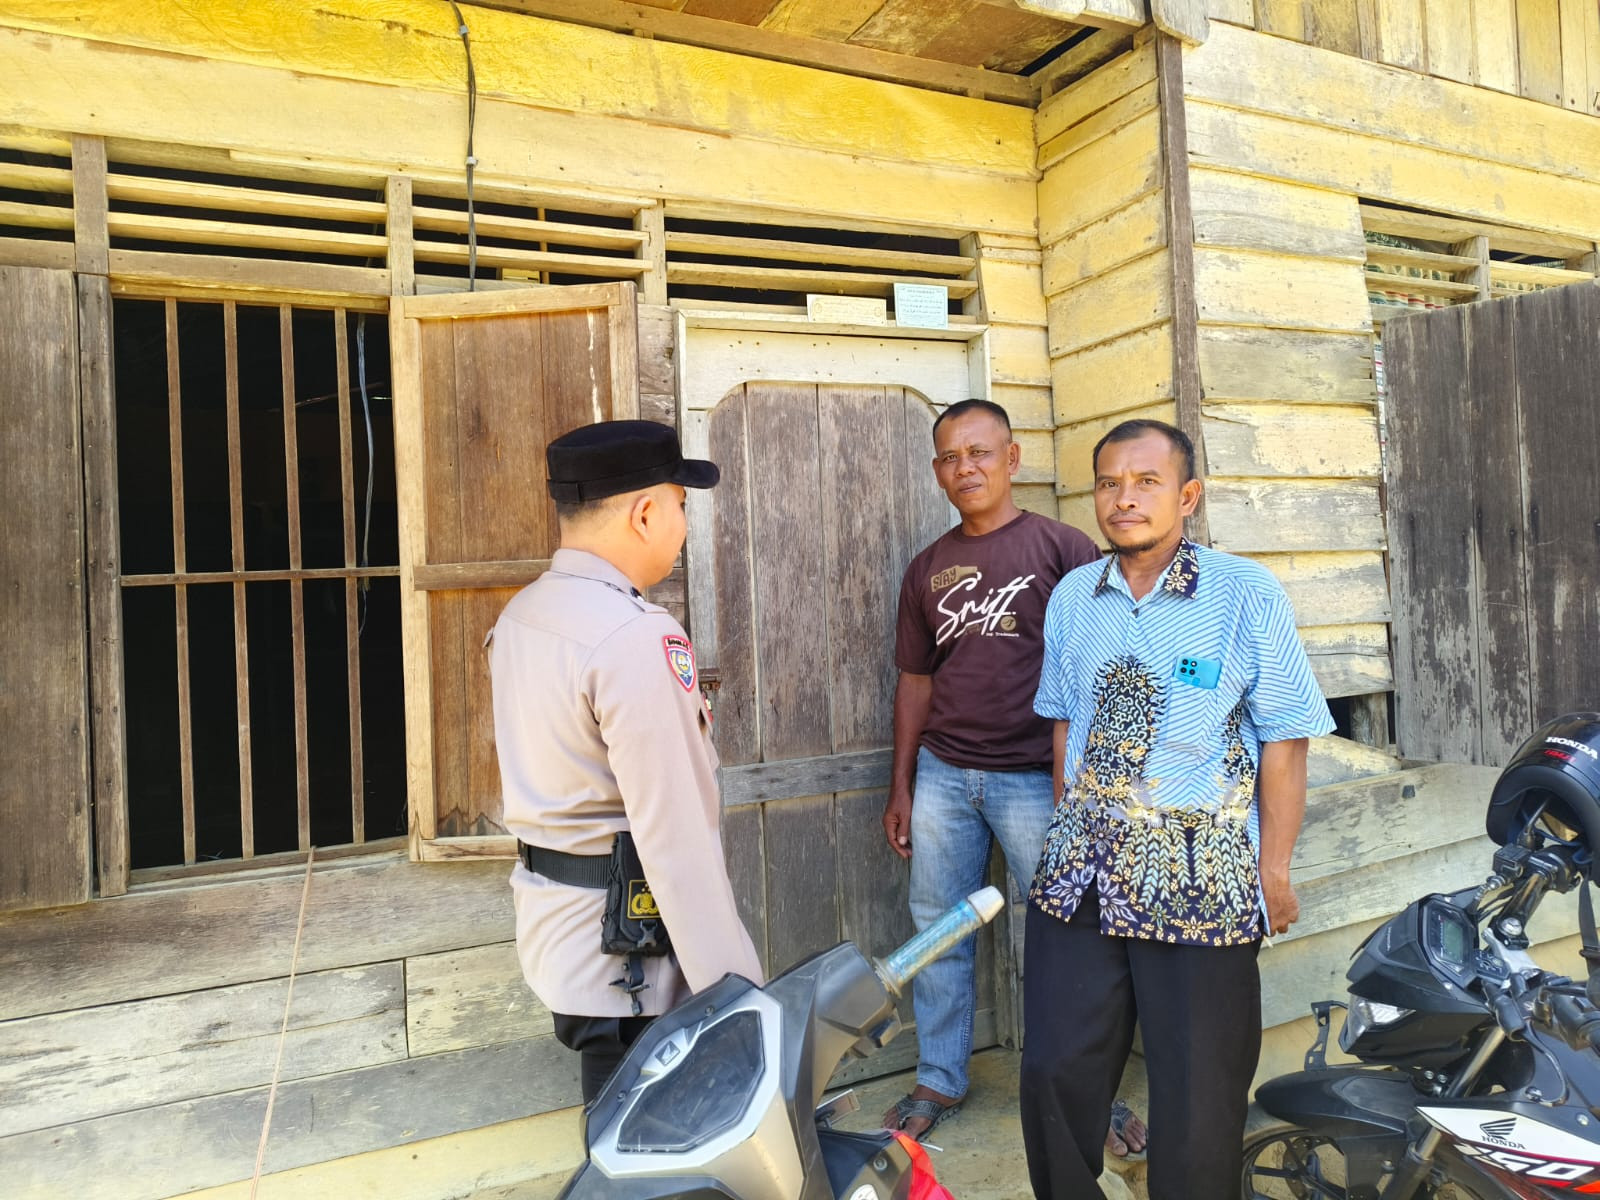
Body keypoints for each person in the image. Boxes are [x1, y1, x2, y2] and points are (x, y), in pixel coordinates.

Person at [1019, 419, 1335, 1200]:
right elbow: (1065, 727)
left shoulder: (1242, 594)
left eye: (1146, 482)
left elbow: (1285, 743)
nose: (1123, 498)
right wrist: (1069, 826)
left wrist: (1276, 872)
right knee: (1054, 1068)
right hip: (1082, 874)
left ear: (1187, 496)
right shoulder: (1072, 597)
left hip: (1203, 879)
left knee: (1198, 1095)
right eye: (1108, 483)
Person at [489, 419, 763, 1104]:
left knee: (614, 1134)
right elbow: (676, 839)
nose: (684, 526)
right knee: (648, 1154)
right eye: (680, 505)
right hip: (631, 962)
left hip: (563, 939)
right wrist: (736, 996)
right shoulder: (634, 636)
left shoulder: (524, 614)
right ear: (645, 513)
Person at [879, 399, 1103, 1142]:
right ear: (938, 470)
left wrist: (1092, 780)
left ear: (1011, 459)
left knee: (1066, 935)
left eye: (979, 452)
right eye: (949, 457)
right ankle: (940, 1079)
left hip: (1041, 780)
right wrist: (903, 783)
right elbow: (916, 681)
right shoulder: (929, 567)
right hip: (946, 775)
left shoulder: (1063, 549)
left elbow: (1109, 665)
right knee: (939, 933)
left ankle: (1078, 1086)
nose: (964, 468)